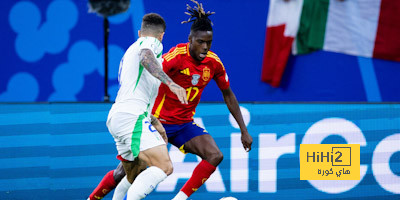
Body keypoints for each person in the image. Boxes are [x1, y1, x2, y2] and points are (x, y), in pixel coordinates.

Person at [88, 1, 252, 199]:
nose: (205, 47)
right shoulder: (173, 57)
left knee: (215, 155)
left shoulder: (214, 63)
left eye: (209, 42)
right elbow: (149, 69)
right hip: (157, 121)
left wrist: (243, 130)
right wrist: (166, 92)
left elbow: (228, 93)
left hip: (183, 124)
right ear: (190, 39)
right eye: (200, 42)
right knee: (126, 171)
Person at [98, 12, 188, 200]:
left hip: (119, 116)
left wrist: (154, 121)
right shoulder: (151, 44)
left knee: (134, 173)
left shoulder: (130, 50)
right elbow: (146, 55)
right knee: (164, 166)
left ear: (139, 32)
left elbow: (137, 93)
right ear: (161, 35)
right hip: (131, 117)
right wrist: (171, 83)